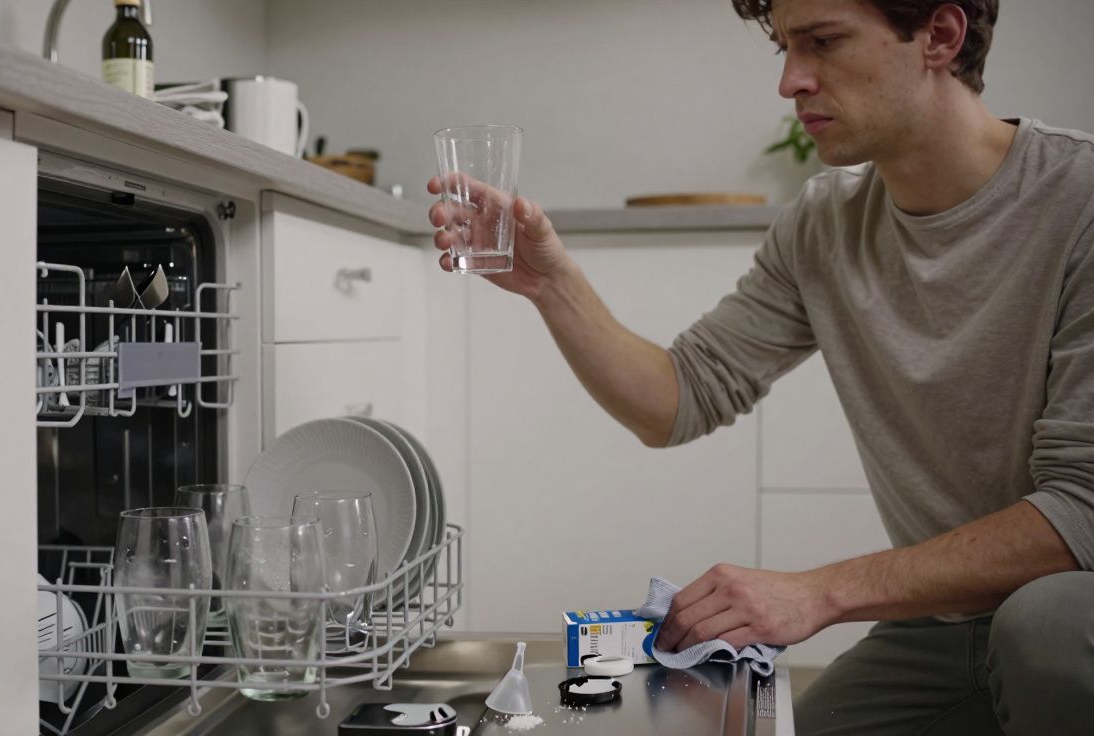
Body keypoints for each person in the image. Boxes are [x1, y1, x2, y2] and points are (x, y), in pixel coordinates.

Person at [427, 0, 1094, 733]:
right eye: (784, 47)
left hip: (1069, 601)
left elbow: (1081, 513)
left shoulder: (1080, 199)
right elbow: (676, 400)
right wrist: (551, 283)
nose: (790, 81)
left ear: (939, 35)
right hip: (940, 626)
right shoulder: (824, 224)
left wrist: (820, 592)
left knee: (1043, 622)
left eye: (823, 43)